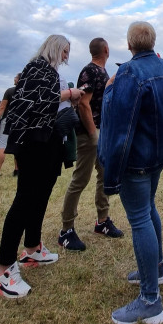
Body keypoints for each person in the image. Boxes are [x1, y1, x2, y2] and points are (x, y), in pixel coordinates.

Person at [98, 22, 163, 324]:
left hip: (137, 160)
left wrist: (111, 170)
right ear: (152, 41)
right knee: (149, 209)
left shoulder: (128, 74)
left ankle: (150, 300)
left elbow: (120, 126)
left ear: (129, 44)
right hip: (158, 155)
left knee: (140, 219)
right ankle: (156, 268)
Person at [0, 35, 82, 298]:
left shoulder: (46, 71)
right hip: (35, 142)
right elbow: (38, 102)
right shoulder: (38, 68)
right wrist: (70, 94)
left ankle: (32, 247)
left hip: (48, 141)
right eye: (65, 51)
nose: (66, 56)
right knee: (25, 200)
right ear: (56, 48)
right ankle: (3, 271)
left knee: (40, 196)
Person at [59, 38, 123, 252]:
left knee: (104, 176)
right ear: (107, 49)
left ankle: (102, 221)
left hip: (100, 133)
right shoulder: (91, 71)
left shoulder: (101, 73)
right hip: (90, 134)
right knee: (80, 179)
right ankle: (66, 230)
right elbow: (84, 104)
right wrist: (92, 133)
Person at [0, 74, 21, 180]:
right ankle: (17, 170)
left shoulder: (10, 91)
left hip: (8, 120)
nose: (14, 78)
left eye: (15, 77)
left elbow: (2, 107)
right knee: (18, 146)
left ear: (18, 79)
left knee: (2, 146)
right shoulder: (27, 92)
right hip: (21, 121)